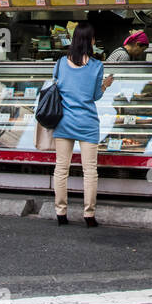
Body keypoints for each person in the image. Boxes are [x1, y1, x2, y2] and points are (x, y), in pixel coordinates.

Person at [50, 22, 113, 226]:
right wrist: (106, 84)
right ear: (91, 41)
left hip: (64, 122)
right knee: (90, 171)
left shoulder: (60, 63)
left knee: (61, 169)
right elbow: (95, 96)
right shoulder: (96, 66)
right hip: (87, 123)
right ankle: (89, 215)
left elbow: (56, 87)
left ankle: (61, 213)